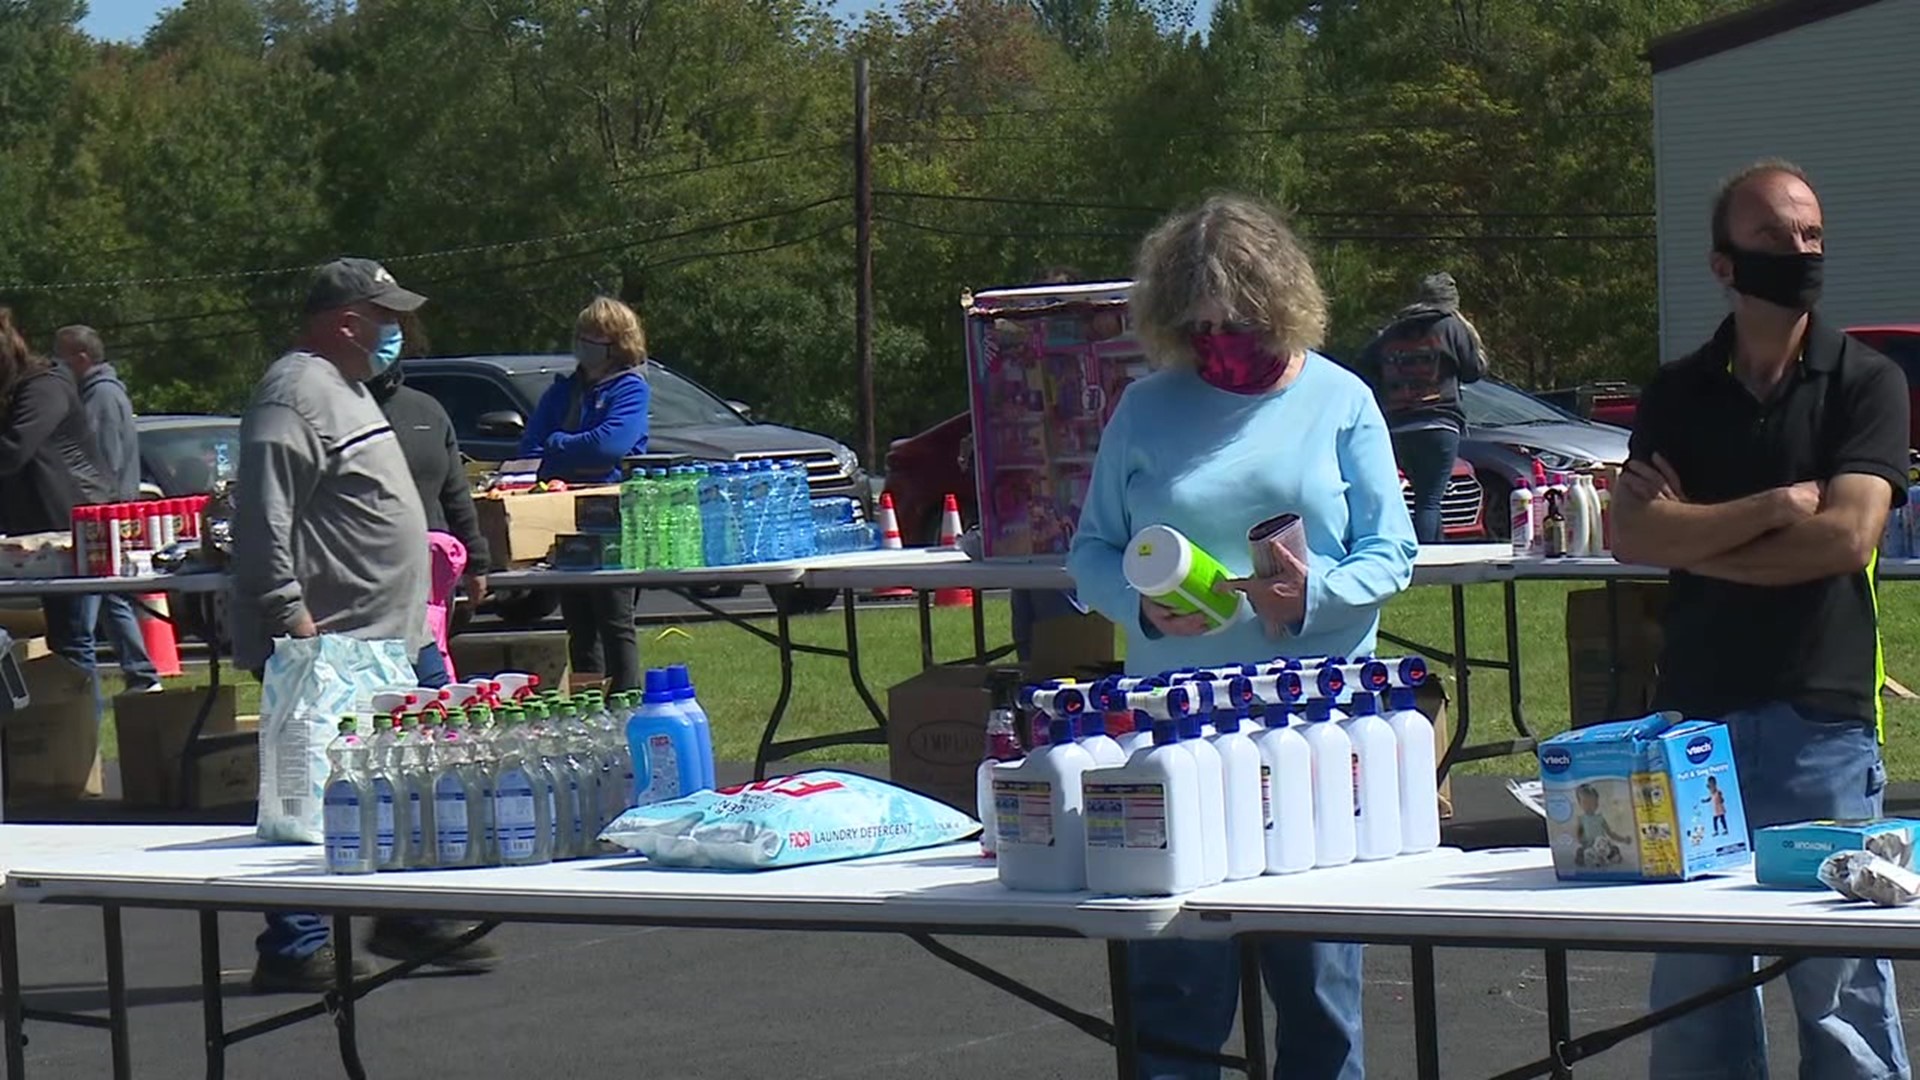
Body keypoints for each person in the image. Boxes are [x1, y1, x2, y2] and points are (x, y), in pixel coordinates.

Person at [1066, 194, 1417, 1080]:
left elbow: (1392, 552)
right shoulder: (1145, 408)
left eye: (1238, 321)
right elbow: (1091, 551)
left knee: (1318, 994)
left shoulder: (1343, 400)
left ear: (1283, 305)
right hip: (1170, 733)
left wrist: (1310, 596)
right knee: (1175, 992)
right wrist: (1145, 610)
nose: (1219, 338)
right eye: (1200, 324)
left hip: (1313, 735)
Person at [1610, 160, 1909, 1080]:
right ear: (1724, 264)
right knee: (1697, 997)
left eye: (1813, 235)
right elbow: (1628, 532)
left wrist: (1693, 539)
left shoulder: (1866, 381)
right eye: (1777, 238)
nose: (1802, 252)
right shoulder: (1679, 389)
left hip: (1816, 720)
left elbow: (1846, 539)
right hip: (1693, 720)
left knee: (1842, 997)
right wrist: (1778, 503)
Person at [232, 258, 497, 991]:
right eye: (385, 318)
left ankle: (407, 913)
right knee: (318, 795)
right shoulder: (293, 394)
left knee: (416, 778)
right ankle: (295, 942)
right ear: (348, 321)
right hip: (333, 647)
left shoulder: (345, 389)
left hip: (394, 638)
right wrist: (290, 613)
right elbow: (263, 514)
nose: (396, 332)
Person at [521, 297, 651, 692]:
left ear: (617, 342)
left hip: (611, 513)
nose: (584, 343)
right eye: (581, 335)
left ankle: (626, 704)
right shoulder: (561, 391)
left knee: (615, 622)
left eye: (594, 336)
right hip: (561, 513)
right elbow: (529, 450)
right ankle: (588, 707)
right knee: (579, 627)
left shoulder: (631, 389)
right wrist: (565, 451)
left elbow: (608, 448)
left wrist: (558, 443)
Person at [0, 309, 114, 685]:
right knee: (66, 637)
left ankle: (80, 739)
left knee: (72, 639)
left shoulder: (43, 387)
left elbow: (14, 450)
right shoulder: (22, 389)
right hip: (39, 530)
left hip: (73, 528)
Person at [51, 325, 161, 693]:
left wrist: (88, 510)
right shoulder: (105, 394)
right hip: (111, 512)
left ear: (82, 359)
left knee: (82, 617)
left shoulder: (100, 399)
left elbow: (95, 464)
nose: (56, 364)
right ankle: (142, 674)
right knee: (113, 597)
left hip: (102, 518)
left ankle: (83, 693)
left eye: (61, 357)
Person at [366, 356, 490, 679]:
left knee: (424, 675)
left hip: (426, 575)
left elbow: (456, 493)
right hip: (373, 576)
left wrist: (476, 562)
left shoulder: (428, 411)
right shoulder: (336, 412)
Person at [1350, 271, 1487, 544]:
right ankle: (1428, 560)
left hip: (1398, 426)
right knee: (1430, 500)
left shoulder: (1391, 331)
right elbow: (1473, 370)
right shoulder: (1451, 326)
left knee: (1424, 497)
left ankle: (1432, 554)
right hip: (1439, 423)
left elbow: (1363, 368)